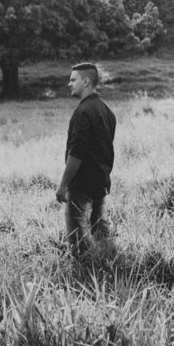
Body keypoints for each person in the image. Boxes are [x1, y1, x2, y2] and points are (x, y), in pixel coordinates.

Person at [55, 62, 116, 257]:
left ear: (86, 81)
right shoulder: (107, 111)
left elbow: (76, 152)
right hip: (101, 180)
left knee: (76, 234)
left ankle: (82, 271)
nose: (69, 84)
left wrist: (63, 185)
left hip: (82, 183)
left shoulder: (82, 112)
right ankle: (109, 263)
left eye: (73, 80)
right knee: (100, 227)